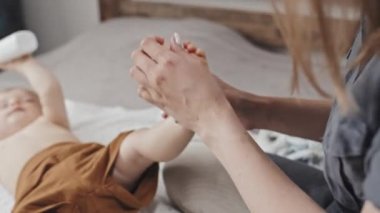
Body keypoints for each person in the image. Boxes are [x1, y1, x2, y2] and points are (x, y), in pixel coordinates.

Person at [130, 0, 380, 212]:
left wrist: (212, 119)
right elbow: (363, 125)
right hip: (349, 196)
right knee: (188, 167)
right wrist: (250, 108)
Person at [0, 56, 194, 212]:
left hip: (92, 166)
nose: (15, 104)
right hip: (40, 197)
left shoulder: (50, 120)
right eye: (2, 105)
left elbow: (48, 87)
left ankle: (185, 118)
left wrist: (25, 64)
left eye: (27, 100)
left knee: (133, 146)